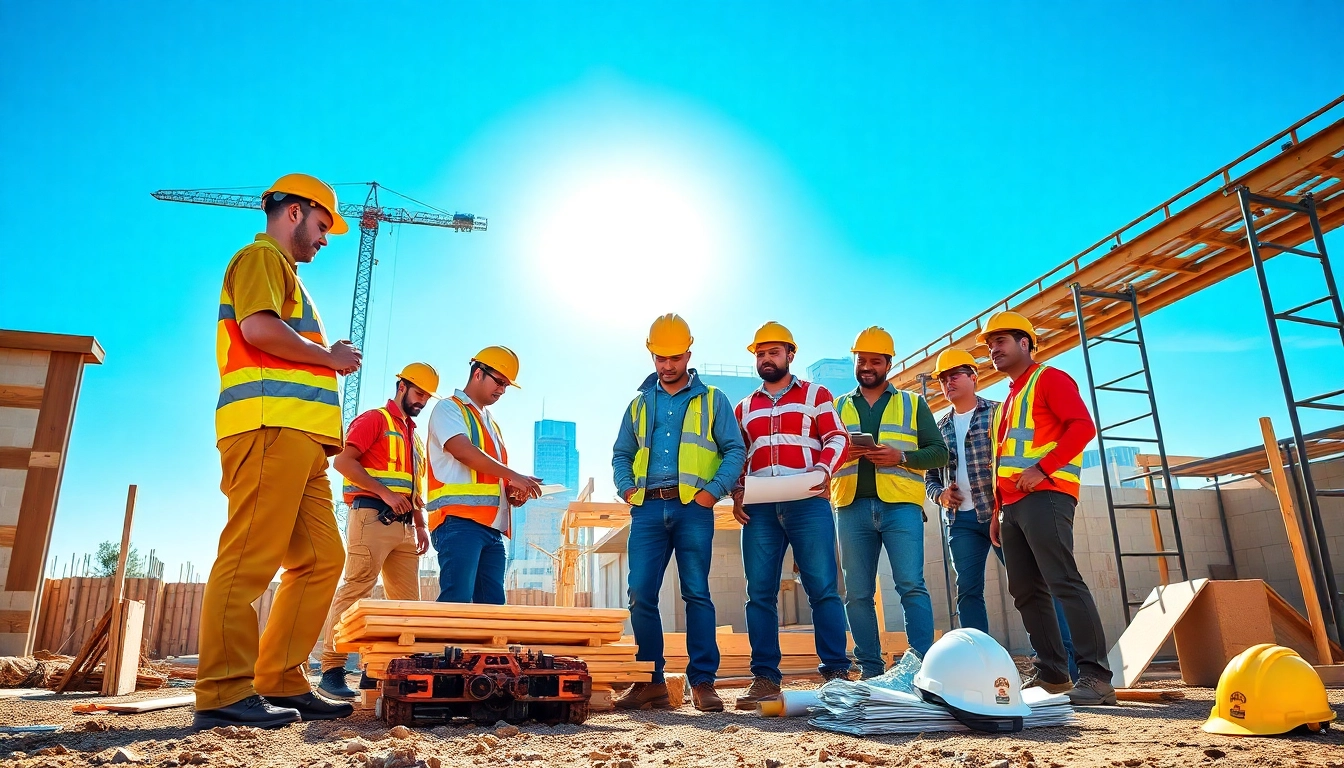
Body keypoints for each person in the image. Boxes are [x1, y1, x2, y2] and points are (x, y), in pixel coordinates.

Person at [195, 173, 361, 729]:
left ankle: (280, 678)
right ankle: (221, 689)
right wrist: (329, 357)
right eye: (321, 225)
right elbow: (260, 330)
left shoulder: (285, 273)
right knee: (249, 559)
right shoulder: (261, 257)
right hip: (268, 428)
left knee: (321, 560)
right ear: (293, 213)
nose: (326, 238)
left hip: (301, 442)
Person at [610, 314, 747, 712]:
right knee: (640, 595)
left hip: (693, 509)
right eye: (659, 358)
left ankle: (703, 682)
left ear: (688, 352)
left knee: (697, 594)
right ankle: (650, 681)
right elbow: (622, 453)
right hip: (648, 508)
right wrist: (626, 487)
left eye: (674, 357)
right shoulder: (637, 404)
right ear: (651, 355)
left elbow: (735, 450)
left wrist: (712, 493)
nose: (667, 365)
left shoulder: (712, 399)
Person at [981, 311, 1116, 705]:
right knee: (1025, 590)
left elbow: (1082, 427)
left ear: (1025, 344)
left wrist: (1042, 469)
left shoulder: (1050, 379)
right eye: (991, 345)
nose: (993, 350)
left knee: (1063, 581)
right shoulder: (1008, 398)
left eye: (1001, 341)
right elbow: (1003, 460)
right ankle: (1053, 673)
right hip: (1012, 505)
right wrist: (997, 510)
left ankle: (1095, 676)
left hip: (1048, 494)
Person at [924, 348, 1078, 682]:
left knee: (1037, 588)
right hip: (960, 523)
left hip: (1001, 514)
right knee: (968, 592)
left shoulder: (999, 413)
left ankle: (1062, 665)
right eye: (942, 378)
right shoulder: (940, 427)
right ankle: (978, 669)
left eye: (954, 375)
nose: (947, 383)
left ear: (973, 377)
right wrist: (940, 495)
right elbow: (931, 478)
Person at [730, 321, 853, 710]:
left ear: (790, 355)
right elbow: (737, 456)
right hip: (760, 507)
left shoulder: (817, 395)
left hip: (808, 501)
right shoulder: (744, 407)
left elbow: (838, 437)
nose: (766, 359)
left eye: (773, 352)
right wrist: (737, 491)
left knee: (823, 587)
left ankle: (836, 672)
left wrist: (822, 471)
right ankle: (765, 677)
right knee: (759, 593)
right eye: (760, 354)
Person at [316, 363, 437, 700]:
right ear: (401, 386)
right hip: (372, 517)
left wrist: (422, 524)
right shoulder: (374, 420)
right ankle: (332, 669)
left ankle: (379, 670)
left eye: (426, 396)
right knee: (356, 587)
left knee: (407, 604)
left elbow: (415, 486)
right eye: (418, 393)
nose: (422, 401)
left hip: (405, 528)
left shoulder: (414, 437)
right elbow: (343, 462)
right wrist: (384, 492)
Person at [832, 327, 947, 679]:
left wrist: (901, 456)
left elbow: (939, 452)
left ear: (888, 364)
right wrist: (844, 454)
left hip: (901, 508)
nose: (867, 366)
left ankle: (922, 667)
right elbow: (823, 458)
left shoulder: (913, 403)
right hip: (851, 507)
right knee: (857, 592)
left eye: (875, 361)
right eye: (861, 360)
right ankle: (870, 669)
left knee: (911, 584)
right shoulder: (837, 405)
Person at [425, 346, 542, 604]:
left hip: (491, 529)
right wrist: (514, 474)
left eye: (506, 386)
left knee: (492, 609)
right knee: (457, 602)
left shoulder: (491, 424)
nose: (502, 390)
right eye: (499, 382)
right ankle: (446, 647)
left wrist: (511, 490)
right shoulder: (449, 409)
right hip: (459, 522)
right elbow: (463, 451)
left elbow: (488, 474)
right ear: (478, 374)